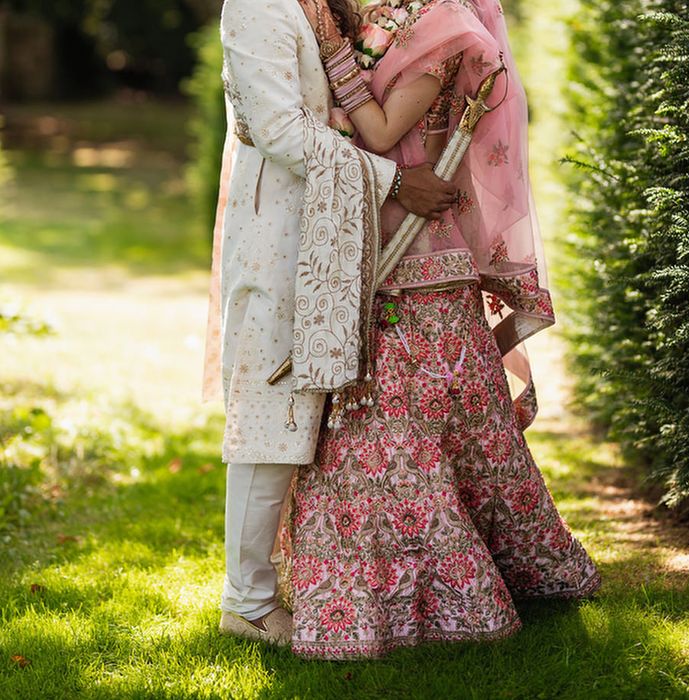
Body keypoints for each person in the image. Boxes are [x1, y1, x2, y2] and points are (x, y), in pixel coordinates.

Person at [283, 0, 601, 659]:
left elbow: (380, 129)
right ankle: (353, 581)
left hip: (422, 252)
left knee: (420, 423)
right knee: (364, 414)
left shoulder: (445, 24)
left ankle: (453, 580)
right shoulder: (373, 18)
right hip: (367, 236)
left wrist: (334, 59)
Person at [204, 0, 457, 647]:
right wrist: (395, 180)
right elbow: (283, 134)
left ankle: (264, 584)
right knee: (270, 408)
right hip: (276, 232)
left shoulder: (310, 6)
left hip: (313, 228)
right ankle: (247, 602)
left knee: (297, 407)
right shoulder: (257, 5)